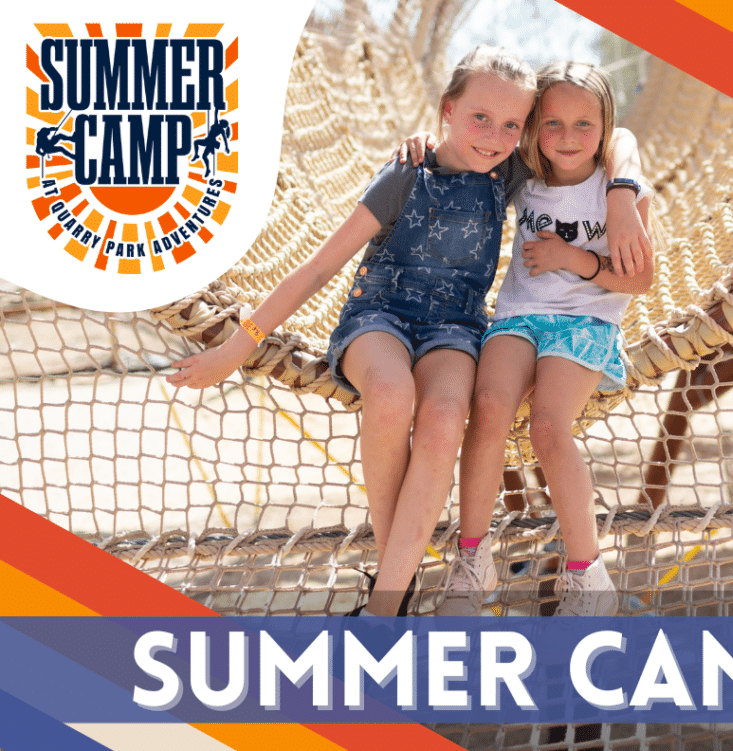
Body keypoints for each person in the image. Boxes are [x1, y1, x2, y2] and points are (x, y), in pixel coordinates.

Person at [168, 47, 648, 617]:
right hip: (381, 319)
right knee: (394, 396)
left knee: (448, 415)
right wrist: (235, 348)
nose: (494, 136)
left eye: (510, 125)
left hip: (455, 330)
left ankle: (391, 597)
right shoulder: (406, 173)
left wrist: (622, 195)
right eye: (479, 118)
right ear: (447, 109)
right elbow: (320, 266)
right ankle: (390, 597)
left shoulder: (511, 170)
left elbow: (617, 139)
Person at [435, 61, 655, 617]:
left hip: (585, 321)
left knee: (549, 426)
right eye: (553, 124)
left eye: (585, 125)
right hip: (518, 316)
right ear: (534, 128)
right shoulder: (523, 174)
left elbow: (640, 279)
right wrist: (423, 139)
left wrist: (577, 255)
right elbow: (469, 147)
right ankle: (472, 556)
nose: (568, 137)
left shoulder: (618, 189)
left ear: (604, 127)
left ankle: (587, 573)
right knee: (486, 409)